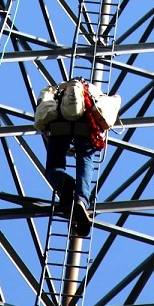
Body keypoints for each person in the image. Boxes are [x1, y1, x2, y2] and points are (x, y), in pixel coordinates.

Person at [35, 77, 121, 236]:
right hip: (87, 124)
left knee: (53, 167)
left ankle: (64, 182)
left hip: (60, 122)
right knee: (85, 160)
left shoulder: (59, 89)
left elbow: (44, 106)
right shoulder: (94, 91)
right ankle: (81, 200)